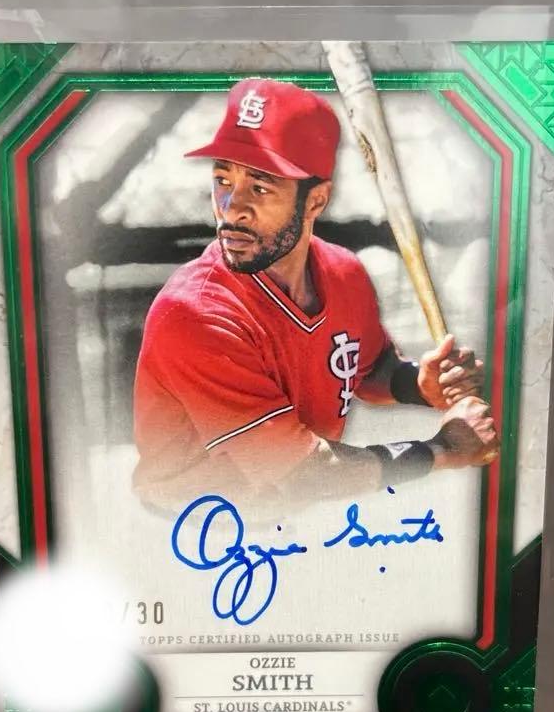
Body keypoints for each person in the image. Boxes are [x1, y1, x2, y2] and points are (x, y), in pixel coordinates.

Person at [132, 78, 498, 510]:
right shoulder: (194, 314)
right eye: (223, 179)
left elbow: (366, 369)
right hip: (194, 526)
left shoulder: (343, 272)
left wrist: (418, 385)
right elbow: (307, 474)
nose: (231, 208)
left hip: (296, 515)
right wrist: (443, 450)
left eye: (260, 187)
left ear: (316, 201)